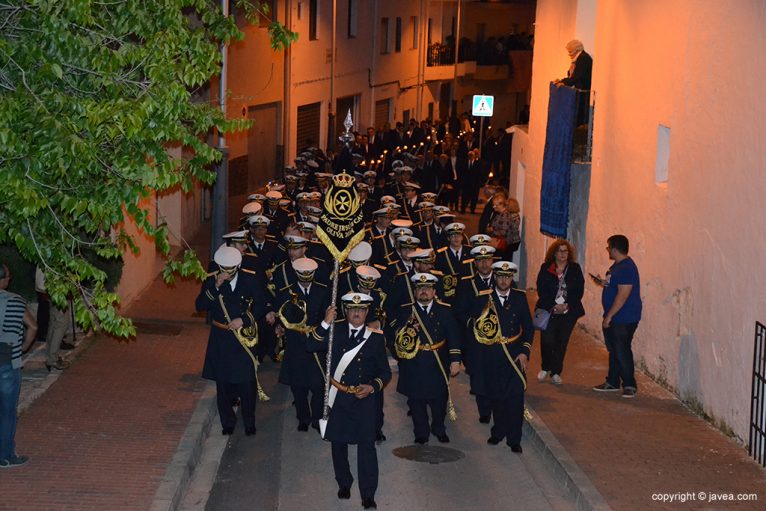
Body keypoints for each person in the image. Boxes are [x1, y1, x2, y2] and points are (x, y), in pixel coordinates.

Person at [310, 293, 391, 510]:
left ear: (367, 312)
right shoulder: (334, 332)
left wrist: (372, 387)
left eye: (361, 310)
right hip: (338, 397)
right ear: (346, 311)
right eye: (352, 310)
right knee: (339, 443)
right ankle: (344, 483)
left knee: (367, 446)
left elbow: (385, 373)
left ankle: (368, 494)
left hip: (364, 400)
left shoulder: (376, 337)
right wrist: (325, 322)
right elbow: (311, 345)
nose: (357, 313)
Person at [195, 246, 276, 436]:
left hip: (243, 338)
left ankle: (249, 421)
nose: (227, 274)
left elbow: (261, 304)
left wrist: (244, 319)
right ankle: (227, 422)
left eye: (230, 269)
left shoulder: (249, 280)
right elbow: (199, 305)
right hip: (221, 338)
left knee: (246, 383)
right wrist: (214, 287)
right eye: (223, 269)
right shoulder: (212, 280)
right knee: (223, 383)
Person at [469, 261, 533, 453]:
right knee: (497, 398)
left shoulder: (520, 298)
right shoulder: (483, 299)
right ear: (495, 277)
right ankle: (498, 431)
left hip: (514, 356)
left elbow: (528, 329)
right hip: (493, 355)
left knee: (515, 399)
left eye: (508, 277)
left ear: (511, 278)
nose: (504, 280)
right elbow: (476, 330)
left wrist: (525, 351)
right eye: (500, 276)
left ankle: (514, 439)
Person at [390, 273, 462, 445]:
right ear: (415, 292)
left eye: (427, 288)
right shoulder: (406, 311)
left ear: (434, 291)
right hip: (414, 362)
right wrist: (401, 355)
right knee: (416, 400)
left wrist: (455, 360)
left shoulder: (444, 310)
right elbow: (395, 337)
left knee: (439, 399)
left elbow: (453, 335)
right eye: (420, 288)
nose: (424, 291)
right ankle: (421, 431)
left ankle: (438, 428)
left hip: (438, 360)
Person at [592, 235, 642, 398]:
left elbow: (623, 295)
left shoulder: (627, 268)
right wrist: (603, 283)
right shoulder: (618, 266)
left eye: (608, 247)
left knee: (621, 350)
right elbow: (615, 285)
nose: (607, 250)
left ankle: (629, 384)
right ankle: (612, 381)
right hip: (616, 317)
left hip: (623, 317)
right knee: (614, 350)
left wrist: (609, 316)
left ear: (614, 249)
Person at [0, 263, 37, 468]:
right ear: (4, 279)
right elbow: (33, 326)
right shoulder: (16, 301)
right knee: (7, 411)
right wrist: (23, 348)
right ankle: (5, 455)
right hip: (8, 362)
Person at [535, 239, 585, 385]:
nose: (563, 254)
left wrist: (567, 305)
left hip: (568, 311)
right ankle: (545, 367)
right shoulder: (546, 268)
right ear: (554, 253)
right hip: (549, 310)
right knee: (547, 340)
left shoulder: (574, 268)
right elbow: (541, 289)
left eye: (565, 251)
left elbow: (579, 290)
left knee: (561, 342)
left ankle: (556, 372)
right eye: (559, 251)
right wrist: (553, 305)